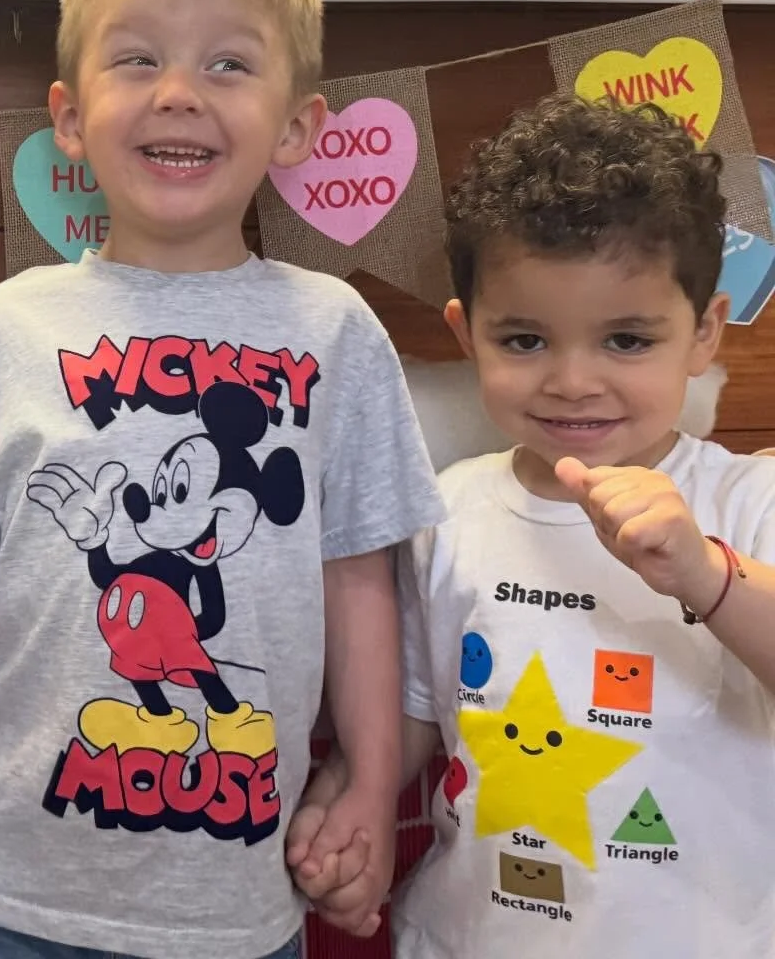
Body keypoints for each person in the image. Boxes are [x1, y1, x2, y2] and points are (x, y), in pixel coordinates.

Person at [0, 0, 444, 959]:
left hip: (238, 901)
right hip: (12, 885)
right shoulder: (5, 328)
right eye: (138, 59)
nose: (179, 91)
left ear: (298, 125)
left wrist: (366, 782)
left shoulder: (335, 332)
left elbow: (359, 579)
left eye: (227, 63)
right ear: (69, 119)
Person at [290, 95, 775, 955]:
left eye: (626, 340)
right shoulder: (448, 510)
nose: (572, 380)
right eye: (524, 341)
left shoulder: (749, 500)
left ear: (703, 335)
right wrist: (347, 808)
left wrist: (709, 575)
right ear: (466, 333)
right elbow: (410, 711)